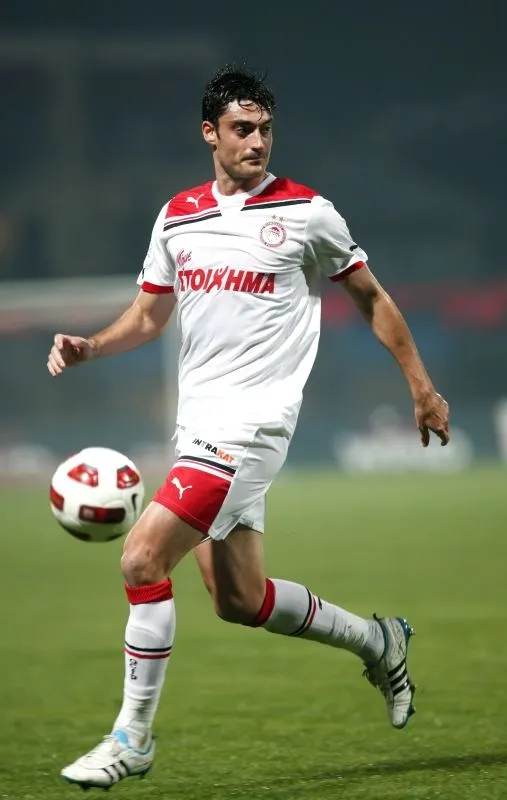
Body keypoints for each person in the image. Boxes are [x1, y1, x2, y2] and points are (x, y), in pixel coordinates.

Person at [47, 64, 450, 789]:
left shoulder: (307, 213)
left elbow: (371, 298)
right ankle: (378, 641)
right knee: (239, 599)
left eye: (265, 128)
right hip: (197, 426)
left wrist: (420, 387)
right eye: (241, 128)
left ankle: (131, 738)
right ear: (210, 133)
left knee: (141, 559)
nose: (256, 141)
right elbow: (149, 315)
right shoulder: (178, 216)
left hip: (253, 427)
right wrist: (91, 347)